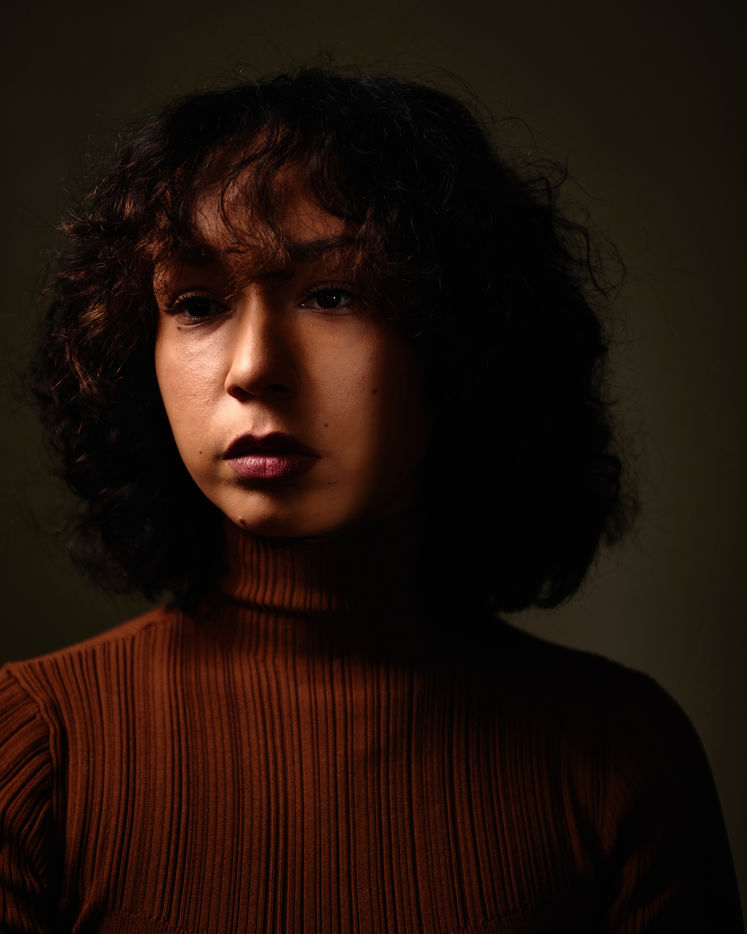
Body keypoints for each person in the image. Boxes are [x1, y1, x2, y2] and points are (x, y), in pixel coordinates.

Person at [0, 68, 742, 933]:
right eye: (196, 305)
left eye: (333, 295)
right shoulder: (36, 748)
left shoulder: (615, 756)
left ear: (459, 340)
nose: (252, 368)